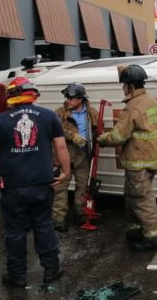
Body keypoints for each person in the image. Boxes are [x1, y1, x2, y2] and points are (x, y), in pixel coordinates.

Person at [0, 77, 70, 287]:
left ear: (11, 97)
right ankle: (51, 269)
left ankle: (17, 275)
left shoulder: (0, 120)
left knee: (15, 231)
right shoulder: (48, 116)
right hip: (43, 183)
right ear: (32, 94)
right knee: (44, 225)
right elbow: (61, 147)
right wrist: (65, 171)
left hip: (13, 186)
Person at [97, 65, 157, 252]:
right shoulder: (153, 101)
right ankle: (137, 227)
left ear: (129, 86)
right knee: (132, 195)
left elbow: (118, 136)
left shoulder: (132, 108)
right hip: (152, 157)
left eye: (124, 85)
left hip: (138, 161)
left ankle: (153, 237)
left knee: (141, 197)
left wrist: (102, 138)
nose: (123, 88)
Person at [52, 82, 99, 232]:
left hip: (84, 157)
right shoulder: (59, 113)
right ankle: (58, 219)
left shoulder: (91, 113)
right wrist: (72, 136)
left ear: (80, 99)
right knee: (60, 189)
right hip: (64, 156)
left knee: (82, 188)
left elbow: (98, 129)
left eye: (71, 98)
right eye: (67, 98)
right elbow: (54, 130)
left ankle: (80, 215)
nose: (68, 101)